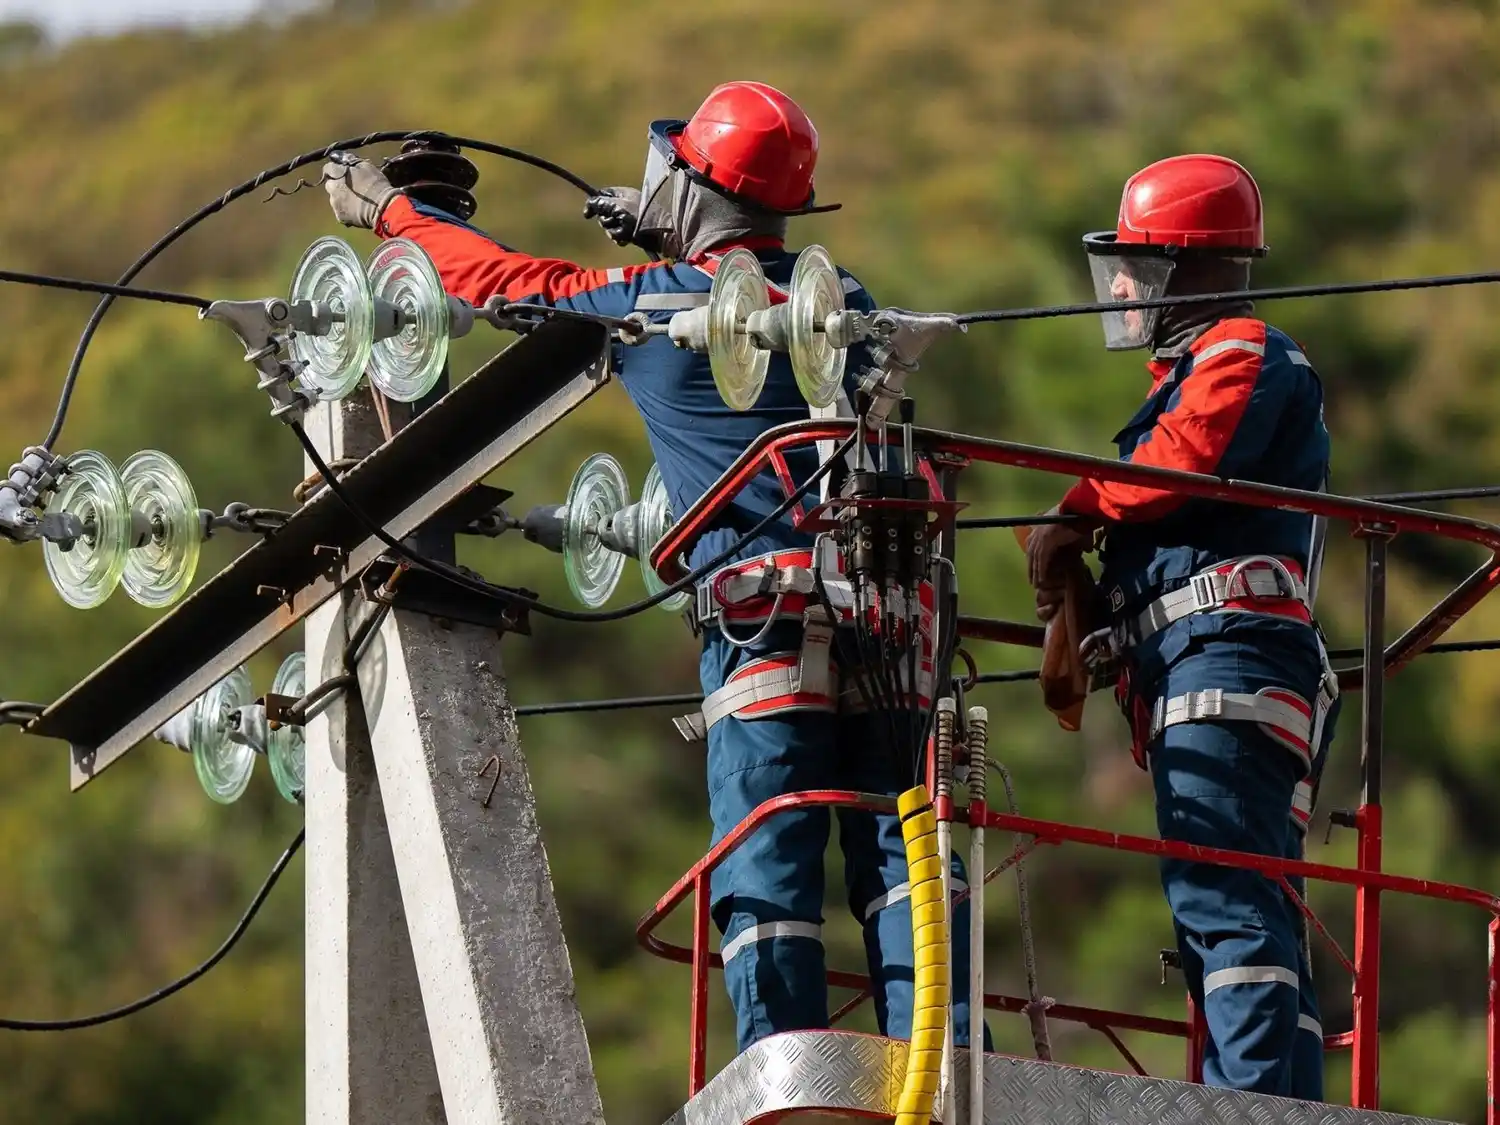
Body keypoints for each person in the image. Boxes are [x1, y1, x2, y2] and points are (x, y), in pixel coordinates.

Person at [323, 80, 989, 1056]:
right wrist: (667, 229)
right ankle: (944, 1071)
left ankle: (788, 1084)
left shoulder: (653, 307)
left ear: (693, 193)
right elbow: (747, 293)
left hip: (767, 631)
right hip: (892, 625)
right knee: (906, 863)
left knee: (768, 866)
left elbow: (503, 283)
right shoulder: (841, 306)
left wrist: (391, 210)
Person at [1025, 153, 1339, 1099]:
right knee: (1251, 903)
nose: (1119, 287)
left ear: (1188, 267)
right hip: (1222, 664)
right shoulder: (1195, 370)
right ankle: (1280, 1104)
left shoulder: (1242, 349)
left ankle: (1245, 1109)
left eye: (1136, 265)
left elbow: (1180, 464)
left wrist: (1075, 509)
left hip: (1231, 655)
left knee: (1224, 898)